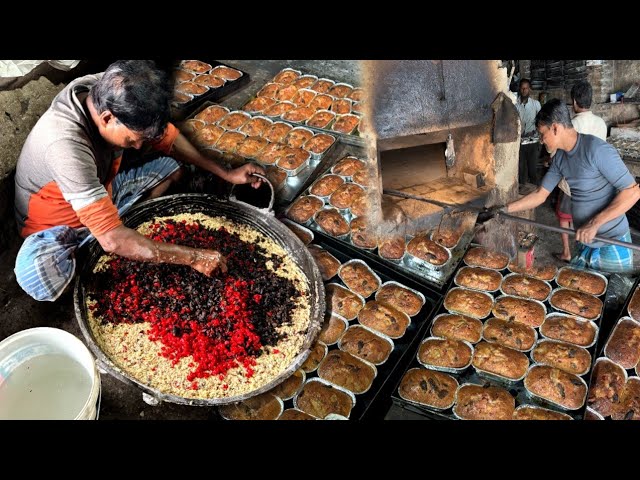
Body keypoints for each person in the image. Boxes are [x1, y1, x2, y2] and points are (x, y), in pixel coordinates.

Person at [14, 60, 265, 301]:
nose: (138, 147)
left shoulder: (108, 90)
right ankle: (108, 243)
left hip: (103, 187)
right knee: (39, 275)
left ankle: (125, 230)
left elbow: (166, 137)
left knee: (171, 168)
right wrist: (194, 257)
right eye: (133, 139)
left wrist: (226, 173)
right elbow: (111, 239)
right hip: (56, 226)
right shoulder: (65, 145)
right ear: (107, 119)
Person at [485, 98, 639, 273]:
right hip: (585, 240)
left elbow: (633, 192)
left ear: (556, 128)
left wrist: (595, 223)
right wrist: (503, 209)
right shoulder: (559, 158)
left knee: (615, 297)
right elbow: (540, 195)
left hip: (612, 242)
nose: (541, 141)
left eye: (542, 134)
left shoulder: (596, 150)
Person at [554, 80, 608, 262]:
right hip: (594, 183)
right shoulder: (601, 123)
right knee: (587, 217)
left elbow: (559, 153)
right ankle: (588, 251)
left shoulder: (572, 125)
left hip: (571, 183)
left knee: (564, 217)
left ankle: (567, 252)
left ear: (575, 102)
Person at [516, 79, 542, 186]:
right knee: (521, 168)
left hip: (533, 141)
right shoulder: (515, 105)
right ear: (519, 89)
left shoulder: (536, 104)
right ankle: (522, 189)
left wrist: (539, 135)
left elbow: (541, 121)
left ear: (529, 89)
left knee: (532, 168)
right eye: (522, 88)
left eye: (526, 88)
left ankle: (534, 190)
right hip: (520, 141)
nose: (524, 90)